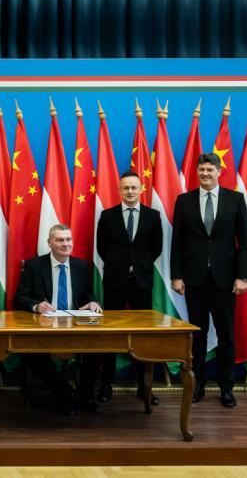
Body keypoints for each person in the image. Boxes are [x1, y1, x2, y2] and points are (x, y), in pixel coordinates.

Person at [171, 152, 247, 409]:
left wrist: (242, 276)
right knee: (198, 336)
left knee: (226, 335)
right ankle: (198, 386)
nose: (205, 174)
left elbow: (244, 243)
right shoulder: (183, 201)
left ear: (219, 171)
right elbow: (177, 243)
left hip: (226, 280)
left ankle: (227, 389)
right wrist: (177, 275)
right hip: (194, 280)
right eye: (201, 170)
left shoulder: (235, 200)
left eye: (209, 170)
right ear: (197, 171)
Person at [14, 224, 102, 415]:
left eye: (68, 240)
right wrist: (36, 306)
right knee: (34, 353)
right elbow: (19, 297)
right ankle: (63, 395)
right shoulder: (34, 266)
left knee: (97, 349)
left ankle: (86, 397)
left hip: (76, 325)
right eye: (60, 240)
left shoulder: (81, 266)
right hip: (44, 326)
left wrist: (94, 303)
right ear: (49, 242)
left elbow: (88, 294)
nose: (65, 244)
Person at [95, 170, 163, 405]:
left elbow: (156, 249)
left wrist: (138, 266)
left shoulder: (153, 216)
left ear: (141, 189)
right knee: (110, 335)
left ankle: (143, 387)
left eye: (134, 187)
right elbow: (102, 248)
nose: (130, 191)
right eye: (126, 188)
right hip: (115, 282)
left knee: (142, 337)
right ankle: (105, 384)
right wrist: (121, 266)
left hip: (141, 283)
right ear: (119, 190)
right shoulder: (108, 216)